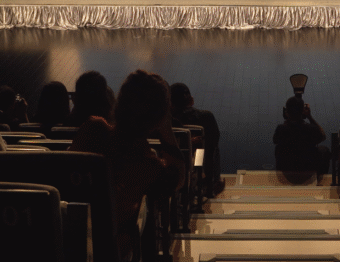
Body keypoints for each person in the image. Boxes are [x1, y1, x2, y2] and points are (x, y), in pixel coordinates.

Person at [70, 70, 185, 260]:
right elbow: (179, 178)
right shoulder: (149, 167)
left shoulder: (92, 130)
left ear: (119, 102)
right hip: (110, 253)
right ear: (158, 118)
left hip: (71, 245)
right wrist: (166, 129)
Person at [170, 82, 225, 197]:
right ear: (191, 100)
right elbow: (214, 140)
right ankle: (213, 182)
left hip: (173, 160)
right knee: (213, 148)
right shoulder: (206, 117)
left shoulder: (166, 121)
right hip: (195, 157)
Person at [273, 96, 330, 181]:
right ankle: (320, 178)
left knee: (278, 148)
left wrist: (288, 121)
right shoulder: (311, 129)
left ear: (287, 112)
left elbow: (275, 141)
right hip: (307, 168)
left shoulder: (281, 128)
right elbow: (323, 136)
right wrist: (310, 117)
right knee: (324, 150)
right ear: (303, 111)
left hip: (287, 169)